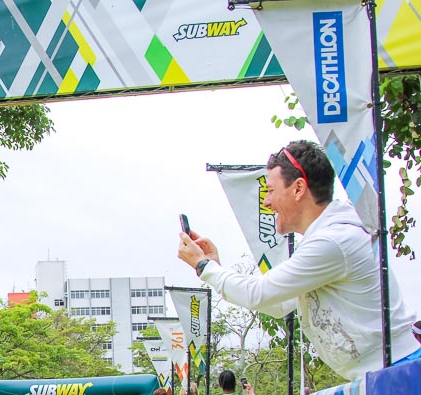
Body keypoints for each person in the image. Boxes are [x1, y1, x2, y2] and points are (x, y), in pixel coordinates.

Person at [178, 140, 420, 381]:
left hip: (399, 370)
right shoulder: (325, 238)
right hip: (386, 372)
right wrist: (215, 268)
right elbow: (278, 304)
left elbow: (258, 293)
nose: (266, 202)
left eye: (271, 190)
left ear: (298, 188)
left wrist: (204, 267)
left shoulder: (333, 240)